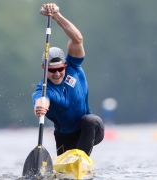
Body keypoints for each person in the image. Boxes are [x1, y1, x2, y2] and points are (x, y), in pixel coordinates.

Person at [32, 3, 104, 156]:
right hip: (64, 137)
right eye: (52, 70)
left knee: (88, 121)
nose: (57, 73)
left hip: (91, 130)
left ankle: (81, 159)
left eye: (60, 69)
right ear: (43, 68)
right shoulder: (44, 88)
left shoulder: (74, 66)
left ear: (65, 64)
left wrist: (56, 15)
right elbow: (41, 100)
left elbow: (77, 38)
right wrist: (40, 108)